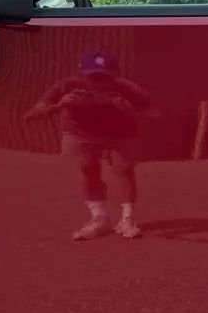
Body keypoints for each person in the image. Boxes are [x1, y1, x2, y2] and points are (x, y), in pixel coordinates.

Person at [26, 50, 155, 239]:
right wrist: (58, 106)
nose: (99, 84)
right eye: (93, 77)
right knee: (88, 167)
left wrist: (130, 110)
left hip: (120, 132)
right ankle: (99, 218)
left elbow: (155, 114)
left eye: (105, 78)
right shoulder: (67, 86)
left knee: (124, 168)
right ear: (81, 75)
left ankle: (127, 218)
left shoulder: (128, 88)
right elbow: (30, 116)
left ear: (115, 76)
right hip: (81, 132)